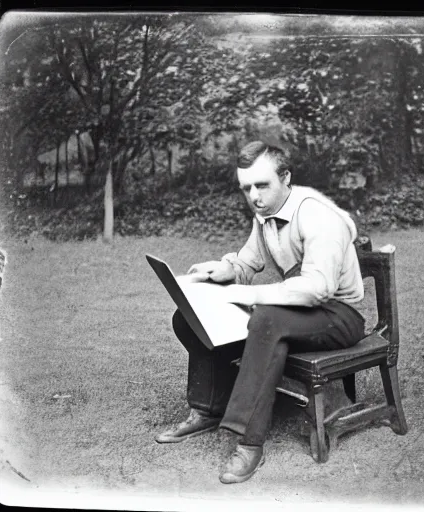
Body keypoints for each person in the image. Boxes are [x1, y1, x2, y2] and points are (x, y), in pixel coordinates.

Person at [155, 141, 366, 484]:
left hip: (338, 316)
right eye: (246, 188)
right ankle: (208, 408)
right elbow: (249, 261)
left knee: (267, 320)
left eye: (262, 185)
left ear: (286, 177)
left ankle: (249, 442)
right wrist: (224, 270)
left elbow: (318, 288)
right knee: (191, 316)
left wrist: (247, 294)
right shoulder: (265, 214)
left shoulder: (318, 216)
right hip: (297, 314)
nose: (253, 195)